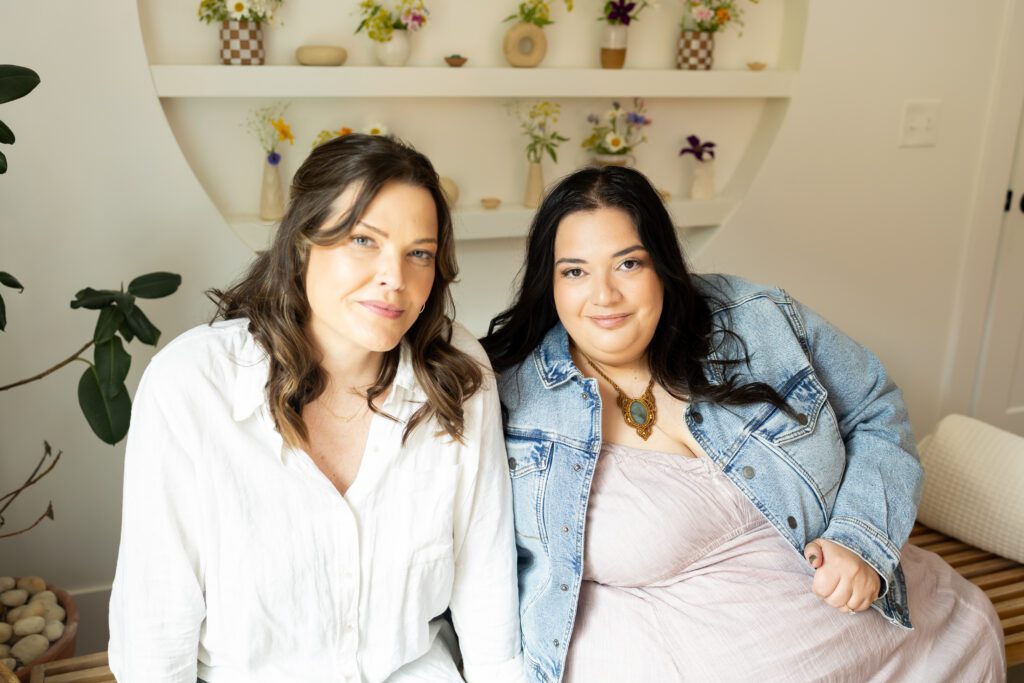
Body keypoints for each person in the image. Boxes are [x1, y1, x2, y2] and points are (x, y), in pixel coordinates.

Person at [481, 166, 1005, 682]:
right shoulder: (508, 396)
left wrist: (861, 540)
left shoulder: (756, 317)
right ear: (548, 282)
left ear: (663, 264)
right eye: (575, 271)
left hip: (893, 633)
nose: (604, 296)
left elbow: (874, 408)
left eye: (628, 264)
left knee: (974, 625)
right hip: (687, 652)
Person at [109, 134, 525, 683]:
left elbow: (485, 580)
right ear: (302, 242)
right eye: (362, 240)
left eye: (419, 253)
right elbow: (155, 629)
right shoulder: (191, 387)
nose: (394, 279)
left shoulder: (457, 372)